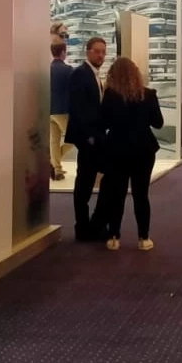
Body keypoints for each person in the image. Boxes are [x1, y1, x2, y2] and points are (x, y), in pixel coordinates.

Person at [100, 57, 163, 251]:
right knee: (141, 194)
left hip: (117, 149)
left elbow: (103, 123)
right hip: (143, 149)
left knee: (117, 194)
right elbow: (158, 123)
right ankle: (143, 237)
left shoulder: (110, 95)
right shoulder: (148, 95)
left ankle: (113, 237)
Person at [66, 36, 109, 241]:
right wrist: (88, 136)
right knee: (84, 183)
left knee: (101, 180)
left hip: (97, 137)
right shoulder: (80, 74)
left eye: (103, 52)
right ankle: (83, 227)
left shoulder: (94, 74)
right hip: (88, 139)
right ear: (88, 52)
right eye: (97, 51)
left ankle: (95, 224)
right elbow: (77, 109)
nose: (101, 55)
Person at [49, 41, 74, 181]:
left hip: (49, 109)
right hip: (62, 109)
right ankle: (53, 161)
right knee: (74, 138)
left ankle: (57, 169)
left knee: (54, 140)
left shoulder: (47, 69)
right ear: (63, 52)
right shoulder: (68, 70)